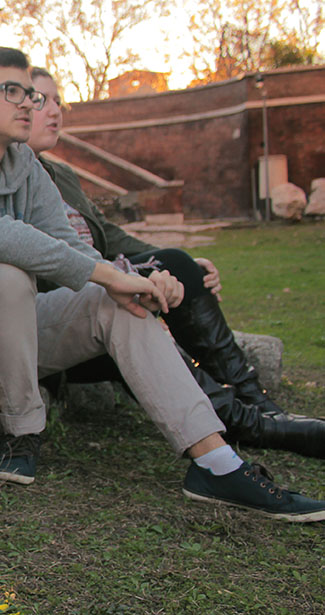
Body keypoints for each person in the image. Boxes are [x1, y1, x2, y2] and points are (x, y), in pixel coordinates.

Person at [0, 46, 325, 522]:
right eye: (12, 91)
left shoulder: (29, 168)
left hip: (16, 337)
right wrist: (108, 274)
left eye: (30, 93)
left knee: (119, 302)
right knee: (3, 270)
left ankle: (216, 463)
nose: (29, 102)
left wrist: (127, 281)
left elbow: (70, 245)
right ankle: (23, 433)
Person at [24, 67, 325, 459]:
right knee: (128, 301)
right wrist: (132, 276)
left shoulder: (60, 174)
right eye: (40, 100)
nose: (55, 111)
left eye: (58, 101)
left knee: (179, 264)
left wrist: (167, 264)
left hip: (106, 281)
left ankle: (257, 400)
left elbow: (109, 235)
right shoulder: (11, 182)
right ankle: (242, 422)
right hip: (71, 314)